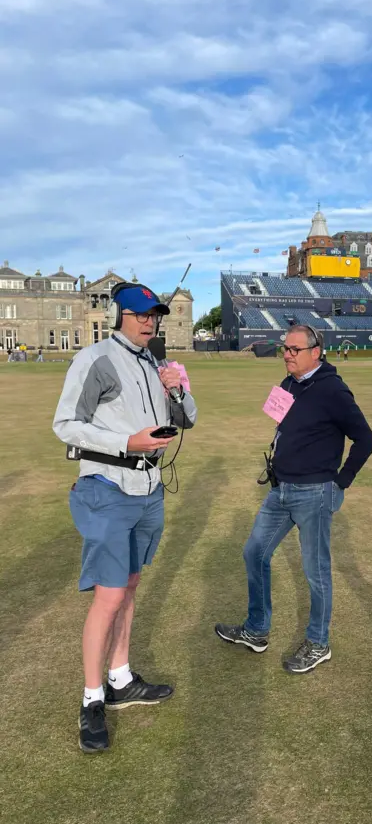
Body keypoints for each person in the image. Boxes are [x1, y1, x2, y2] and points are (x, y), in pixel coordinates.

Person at [52, 282, 197, 754]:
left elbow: (186, 420)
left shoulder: (155, 361)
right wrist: (125, 443)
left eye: (154, 314)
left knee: (130, 586)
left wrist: (179, 391)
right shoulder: (94, 359)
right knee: (110, 596)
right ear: (120, 315)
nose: (149, 321)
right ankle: (92, 699)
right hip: (108, 488)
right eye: (140, 314)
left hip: (149, 489)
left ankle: (120, 677)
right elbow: (66, 425)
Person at [215, 325, 372, 673]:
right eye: (284, 348)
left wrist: (340, 483)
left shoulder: (333, 390)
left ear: (316, 352)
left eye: (294, 349)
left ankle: (318, 642)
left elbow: (366, 439)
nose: (286, 354)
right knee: (254, 552)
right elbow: (282, 425)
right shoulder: (288, 384)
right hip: (281, 490)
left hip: (315, 492)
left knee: (315, 572)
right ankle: (257, 631)